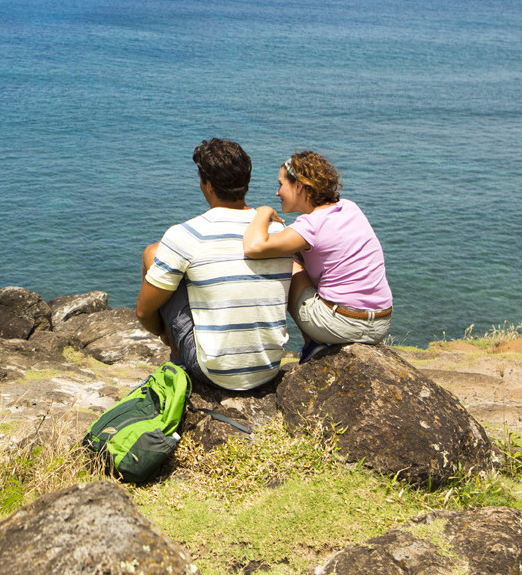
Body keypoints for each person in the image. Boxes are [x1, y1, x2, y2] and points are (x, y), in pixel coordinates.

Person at [135, 139, 293, 391]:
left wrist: (166, 333)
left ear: (206, 183)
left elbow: (143, 312)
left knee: (154, 254)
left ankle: (177, 352)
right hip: (268, 367)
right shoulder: (277, 230)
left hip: (215, 373)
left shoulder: (187, 234)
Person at [242, 151, 391, 359]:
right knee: (301, 256)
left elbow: (254, 247)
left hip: (343, 324)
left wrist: (263, 212)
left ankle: (312, 343)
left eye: (280, 184)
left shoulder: (310, 225)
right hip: (381, 323)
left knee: (287, 261)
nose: (277, 193)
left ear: (299, 186)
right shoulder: (349, 207)